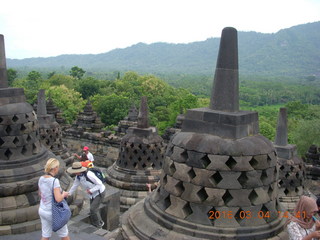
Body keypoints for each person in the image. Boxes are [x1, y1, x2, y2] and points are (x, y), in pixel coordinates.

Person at [38, 158, 70, 240]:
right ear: (55, 168)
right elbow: (58, 199)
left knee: (45, 235)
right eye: (58, 167)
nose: (58, 169)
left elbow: (40, 194)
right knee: (64, 235)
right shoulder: (54, 181)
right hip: (52, 212)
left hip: (42, 209)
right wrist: (64, 194)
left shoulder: (41, 178)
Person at [67, 162, 105, 228]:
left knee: (93, 209)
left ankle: (99, 224)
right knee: (93, 209)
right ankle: (95, 223)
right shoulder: (78, 177)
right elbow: (75, 185)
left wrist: (91, 190)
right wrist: (69, 193)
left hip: (99, 192)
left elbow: (100, 184)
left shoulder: (89, 175)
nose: (74, 173)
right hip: (92, 194)